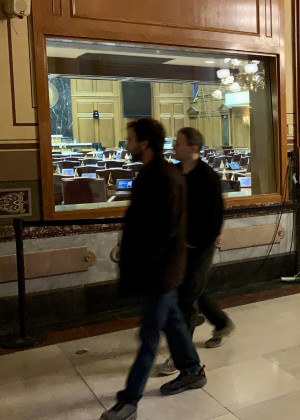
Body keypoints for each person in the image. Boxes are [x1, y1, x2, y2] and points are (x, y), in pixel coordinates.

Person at [101, 119, 205, 420]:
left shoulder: (163, 177)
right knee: (172, 323)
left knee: (148, 337)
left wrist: (143, 267)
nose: (127, 143)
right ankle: (193, 370)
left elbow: (164, 230)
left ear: (144, 143)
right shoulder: (154, 173)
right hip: (159, 270)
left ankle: (129, 401)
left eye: (130, 139)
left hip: (158, 271)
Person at [158, 127, 236, 375]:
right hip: (179, 245)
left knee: (186, 299)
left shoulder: (208, 177)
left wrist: (196, 242)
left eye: (178, 143)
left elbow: (215, 219)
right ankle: (222, 322)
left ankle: (181, 355)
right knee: (194, 290)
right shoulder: (176, 172)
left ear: (193, 148)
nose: (174, 146)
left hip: (200, 246)